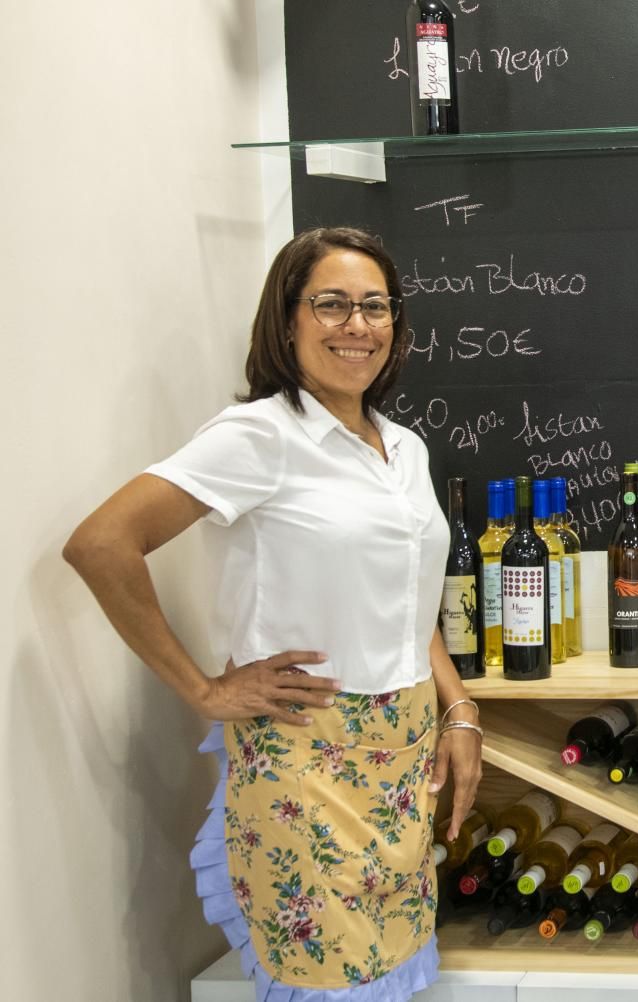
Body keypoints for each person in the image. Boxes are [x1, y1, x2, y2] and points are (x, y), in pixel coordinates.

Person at [63, 227, 481, 1001]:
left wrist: (458, 708)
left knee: (390, 974)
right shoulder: (259, 436)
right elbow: (101, 545)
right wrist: (205, 691)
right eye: (331, 304)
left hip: (402, 761)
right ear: (286, 321)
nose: (357, 326)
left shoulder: (405, 449)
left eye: (375, 307)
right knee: (324, 980)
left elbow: (405, 596)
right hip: (305, 759)